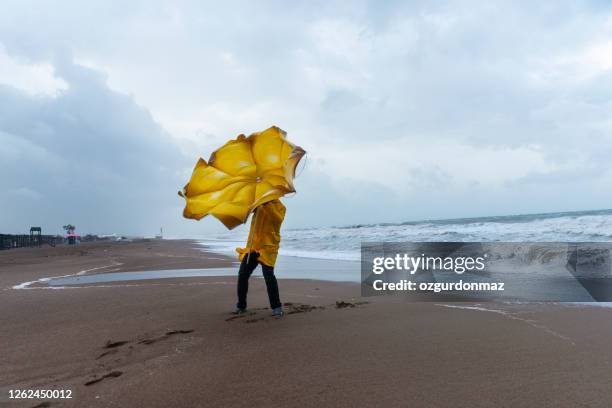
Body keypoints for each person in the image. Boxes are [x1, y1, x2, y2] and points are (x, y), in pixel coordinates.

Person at [234, 199, 286, 317]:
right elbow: (245, 215)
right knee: (242, 274)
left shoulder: (280, 207)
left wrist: (265, 204)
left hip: (268, 248)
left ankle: (276, 307)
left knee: (268, 276)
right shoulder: (257, 204)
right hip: (253, 247)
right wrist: (253, 206)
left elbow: (277, 220)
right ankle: (241, 306)